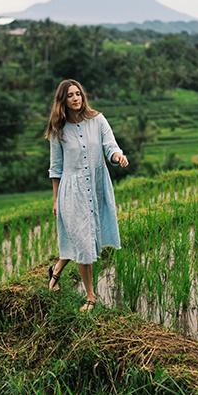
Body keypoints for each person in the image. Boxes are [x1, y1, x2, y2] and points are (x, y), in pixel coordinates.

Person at [44, 79, 129, 312]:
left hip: (96, 186)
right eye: (70, 95)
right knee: (82, 241)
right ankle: (91, 297)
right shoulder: (57, 131)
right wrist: (55, 200)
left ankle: (56, 271)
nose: (75, 98)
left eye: (78, 93)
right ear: (62, 100)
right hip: (72, 192)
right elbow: (56, 168)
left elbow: (110, 146)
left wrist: (118, 157)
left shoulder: (98, 120)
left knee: (86, 238)